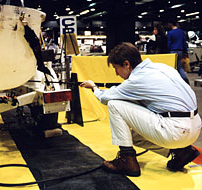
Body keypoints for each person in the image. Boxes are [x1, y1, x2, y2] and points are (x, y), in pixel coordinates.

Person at [80, 42, 201, 177]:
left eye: (116, 68)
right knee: (131, 136)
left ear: (126, 64)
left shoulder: (136, 80)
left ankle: (127, 161)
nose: (116, 73)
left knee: (115, 104)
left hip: (175, 131)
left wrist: (94, 87)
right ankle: (181, 152)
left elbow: (106, 98)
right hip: (195, 128)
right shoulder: (163, 67)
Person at [167, 20, 189, 84]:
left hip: (173, 51)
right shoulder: (181, 32)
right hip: (180, 51)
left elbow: (169, 43)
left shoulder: (170, 33)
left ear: (170, 24)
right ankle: (184, 79)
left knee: (173, 67)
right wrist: (185, 52)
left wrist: (169, 49)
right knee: (179, 67)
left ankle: (176, 82)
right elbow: (184, 43)